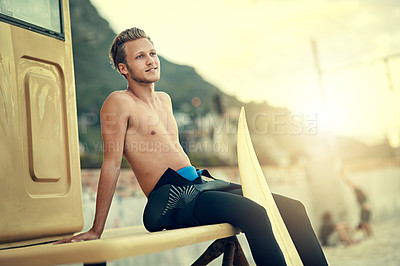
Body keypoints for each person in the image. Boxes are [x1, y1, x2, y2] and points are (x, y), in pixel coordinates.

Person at [55, 27, 328, 266]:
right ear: (123, 68)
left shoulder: (164, 100)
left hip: (201, 184)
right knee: (254, 213)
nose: (151, 61)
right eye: (140, 57)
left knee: (293, 208)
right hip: (172, 199)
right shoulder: (119, 101)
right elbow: (112, 163)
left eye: (152, 53)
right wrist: (96, 229)